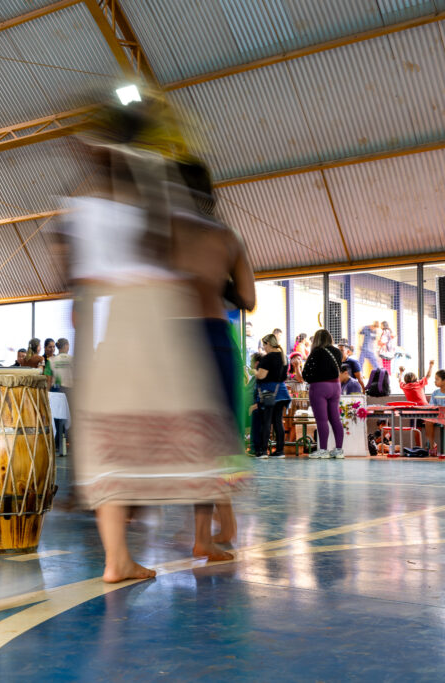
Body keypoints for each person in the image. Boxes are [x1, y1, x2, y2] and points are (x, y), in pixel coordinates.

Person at [63, 99, 244, 584]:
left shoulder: (82, 204)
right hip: (149, 315)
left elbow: (75, 277)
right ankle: (203, 533)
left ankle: (116, 559)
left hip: (106, 320)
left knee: (111, 440)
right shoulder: (150, 190)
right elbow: (160, 250)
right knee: (192, 429)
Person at [171, 157, 256, 544]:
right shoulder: (228, 237)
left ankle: (204, 534)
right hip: (217, 336)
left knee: (192, 439)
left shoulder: (167, 232)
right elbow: (248, 299)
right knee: (216, 438)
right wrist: (217, 280)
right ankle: (220, 525)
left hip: (177, 337)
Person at [301, 329, 345, 459]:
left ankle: (323, 450)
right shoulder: (337, 352)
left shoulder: (316, 352)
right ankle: (339, 450)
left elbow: (306, 373)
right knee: (335, 418)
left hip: (319, 387)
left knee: (322, 420)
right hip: (336, 386)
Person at [254, 334, 291, 459]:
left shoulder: (268, 358)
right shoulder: (284, 357)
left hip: (268, 392)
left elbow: (261, 375)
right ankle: (280, 451)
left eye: (264, 345)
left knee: (266, 421)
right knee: (278, 421)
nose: (264, 348)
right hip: (281, 392)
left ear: (268, 344)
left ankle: (263, 451)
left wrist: (253, 371)